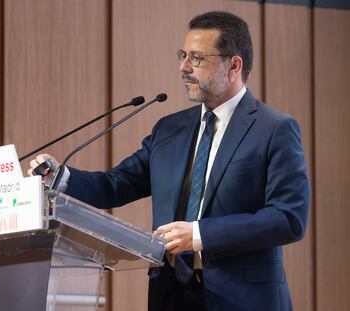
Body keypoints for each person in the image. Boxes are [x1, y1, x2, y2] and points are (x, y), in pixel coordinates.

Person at [29, 11, 310, 311]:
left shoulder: (274, 129)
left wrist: (199, 235)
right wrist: (60, 177)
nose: (183, 67)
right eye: (183, 55)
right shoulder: (169, 129)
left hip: (243, 298)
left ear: (234, 66)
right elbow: (117, 184)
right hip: (170, 294)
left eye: (197, 58)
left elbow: (288, 218)